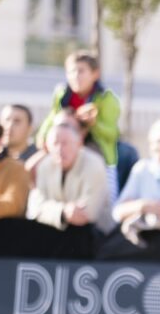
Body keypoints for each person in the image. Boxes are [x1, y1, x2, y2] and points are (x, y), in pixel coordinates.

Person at [38, 51, 121, 202]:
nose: (76, 76)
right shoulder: (62, 93)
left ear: (95, 74)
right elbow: (52, 117)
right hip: (64, 152)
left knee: (106, 198)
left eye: (81, 71)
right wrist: (43, 136)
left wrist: (93, 124)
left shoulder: (106, 98)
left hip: (97, 152)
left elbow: (112, 134)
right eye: (71, 71)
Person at [25, 123, 112, 258]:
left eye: (65, 143)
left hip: (97, 238)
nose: (60, 149)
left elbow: (88, 214)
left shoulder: (94, 164)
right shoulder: (44, 165)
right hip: (56, 231)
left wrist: (54, 211)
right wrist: (63, 212)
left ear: (79, 143)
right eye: (55, 143)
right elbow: (35, 208)